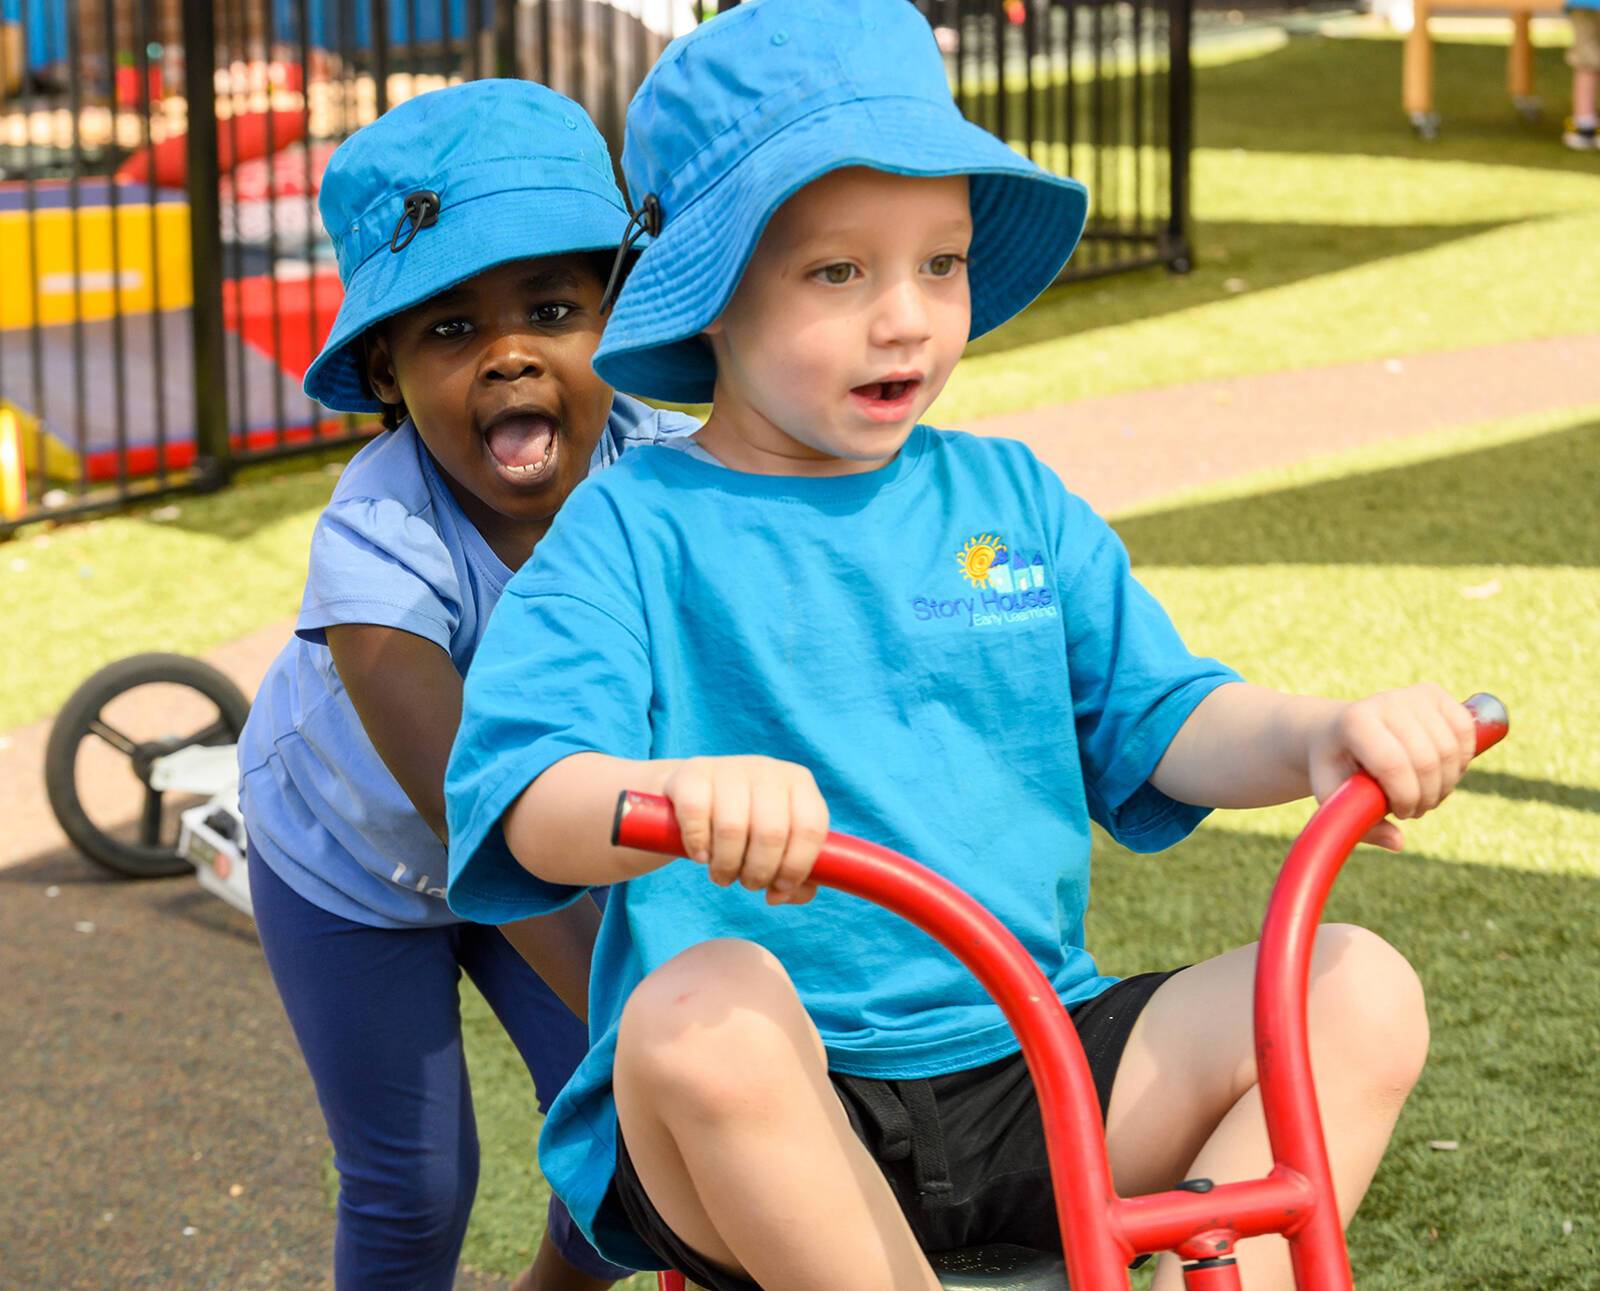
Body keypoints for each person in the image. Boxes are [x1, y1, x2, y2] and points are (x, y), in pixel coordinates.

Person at [443, 4, 1479, 1288]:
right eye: (840, 273)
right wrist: (665, 798)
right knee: (697, 1008)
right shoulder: (631, 529)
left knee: (1357, 986)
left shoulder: (1011, 499)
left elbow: (1164, 716)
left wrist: (1316, 731)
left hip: (1039, 1063)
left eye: (940, 263)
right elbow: (528, 797)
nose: (907, 320)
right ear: (707, 294)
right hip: (779, 1106)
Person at [236, 79, 697, 1291]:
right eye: (448, 330)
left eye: (552, 307)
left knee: (636, 1155)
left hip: (558, 840)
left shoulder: (665, 479)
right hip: (353, 863)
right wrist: (639, 1009)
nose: (506, 355)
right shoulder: (380, 537)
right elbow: (473, 808)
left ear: (619, 312)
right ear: (385, 369)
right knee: (413, 1185)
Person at [1566, 0, 1599, 149]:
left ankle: (1583, 125)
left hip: (1583, 4)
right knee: (1586, 63)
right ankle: (1584, 125)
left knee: (1586, 64)